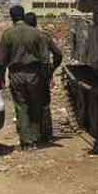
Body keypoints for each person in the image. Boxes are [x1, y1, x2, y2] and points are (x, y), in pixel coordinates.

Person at [0, 6, 48, 150]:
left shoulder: (7, 34)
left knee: (21, 106)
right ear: (23, 15)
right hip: (34, 74)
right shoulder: (36, 33)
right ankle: (35, 137)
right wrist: (45, 77)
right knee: (35, 105)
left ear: (12, 17)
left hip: (16, 75)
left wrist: (1, 78)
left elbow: (2, 61)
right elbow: (45, 58)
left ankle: (26, 141)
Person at [23, 12, 63, 143]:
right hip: (42, 74)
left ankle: (31, 135)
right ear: (35, 22)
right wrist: (52, 69)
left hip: (23, 74)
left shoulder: (19, 36)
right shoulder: (44, 36)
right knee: (44, 104)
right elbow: (58, 54)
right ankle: (46, 134)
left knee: (26, 104)